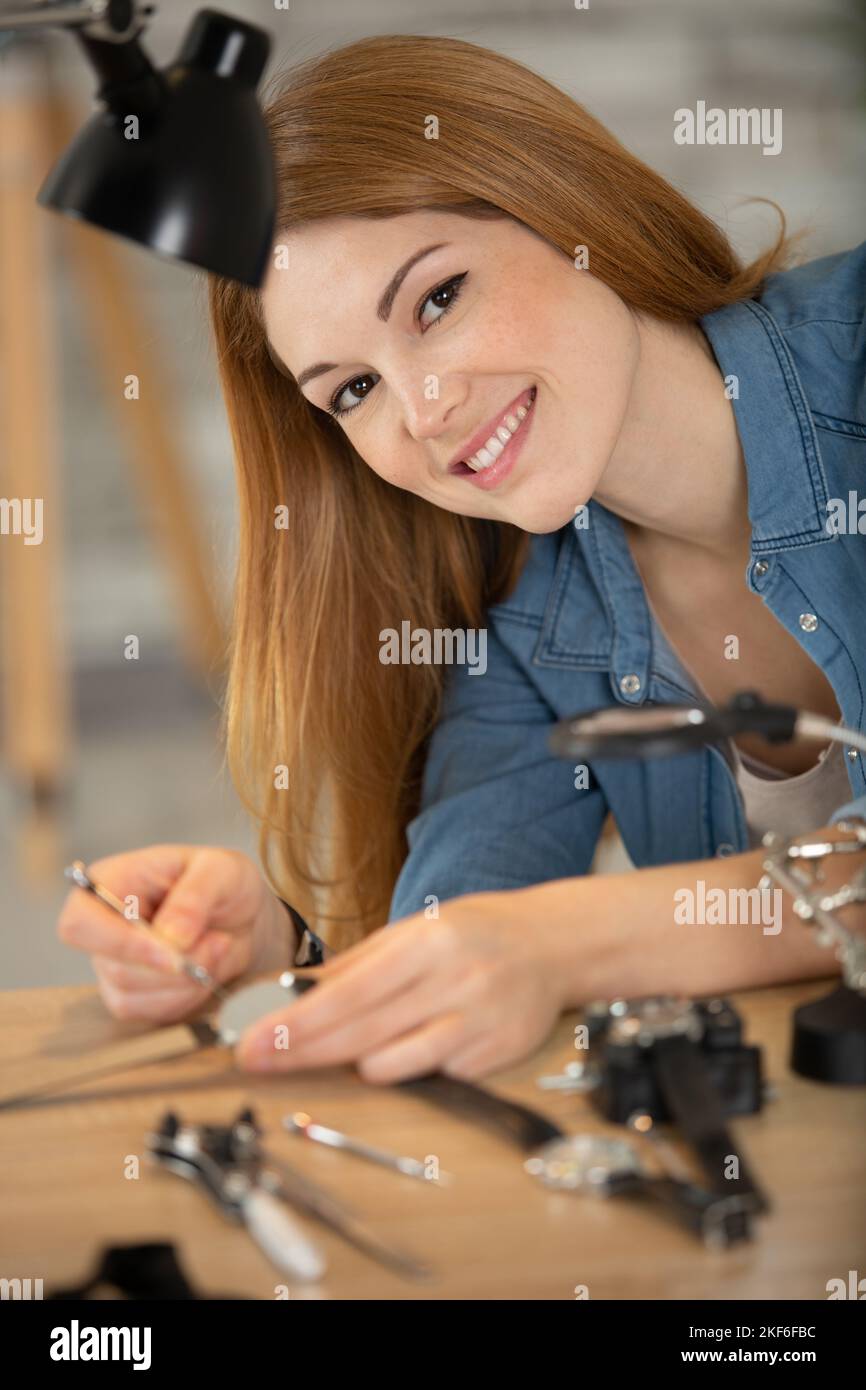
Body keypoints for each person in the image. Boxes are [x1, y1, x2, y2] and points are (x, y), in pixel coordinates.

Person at [57, 35, 866, 1083]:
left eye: (436, 299)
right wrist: (280, 958)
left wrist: (572, 941)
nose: (423, 411)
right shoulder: (520, 618)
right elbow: (469, 932)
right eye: (352, 390)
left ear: (558, 201)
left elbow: (538, 942)